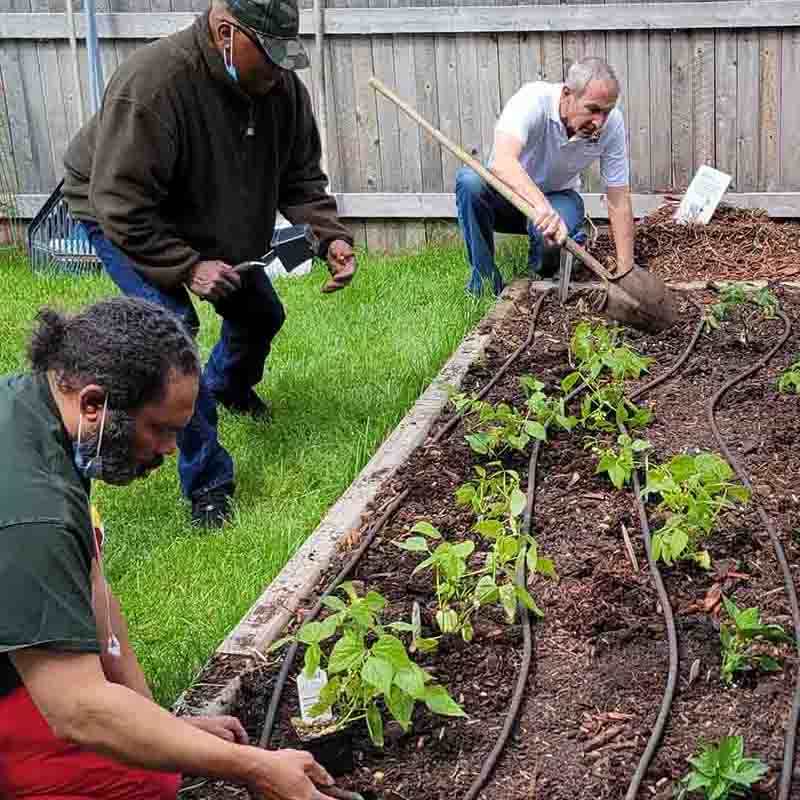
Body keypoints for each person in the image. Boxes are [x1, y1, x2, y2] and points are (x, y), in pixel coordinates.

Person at [0, 297, 338, 800]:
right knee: (132, 783)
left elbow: (90, 583)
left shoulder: (43, 411)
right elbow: (78, 710)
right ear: (95, 403)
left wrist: (163, 726)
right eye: (160, 428)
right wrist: (256, 767)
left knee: (150, 754)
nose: (169, 450)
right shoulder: (34, 511)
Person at [62, 0, 357, 528]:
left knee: (261, 314)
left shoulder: (279, 89)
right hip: (126, 218)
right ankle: (208, 484)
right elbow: (120, 204)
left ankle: (228, 386)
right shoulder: (154, 84)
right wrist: (187, 267)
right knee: (174, 342)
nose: (279, 69)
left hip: (204, 212)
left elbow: (301, 179)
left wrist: (330, 236)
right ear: (226, 33)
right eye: (268, 54)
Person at [455, 56, 634, 296]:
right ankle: (484, 282)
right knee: (470, 181)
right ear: (568, 94)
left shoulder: (612, 125)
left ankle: (539, 279)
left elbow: (618, 198)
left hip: (558, 197)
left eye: (606, 111)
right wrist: (542, 208)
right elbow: (502, 161)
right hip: (506, 199)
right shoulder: (532, 100)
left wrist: (626, 270)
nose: (600, 122)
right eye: (593, 110)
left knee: (549, 244)